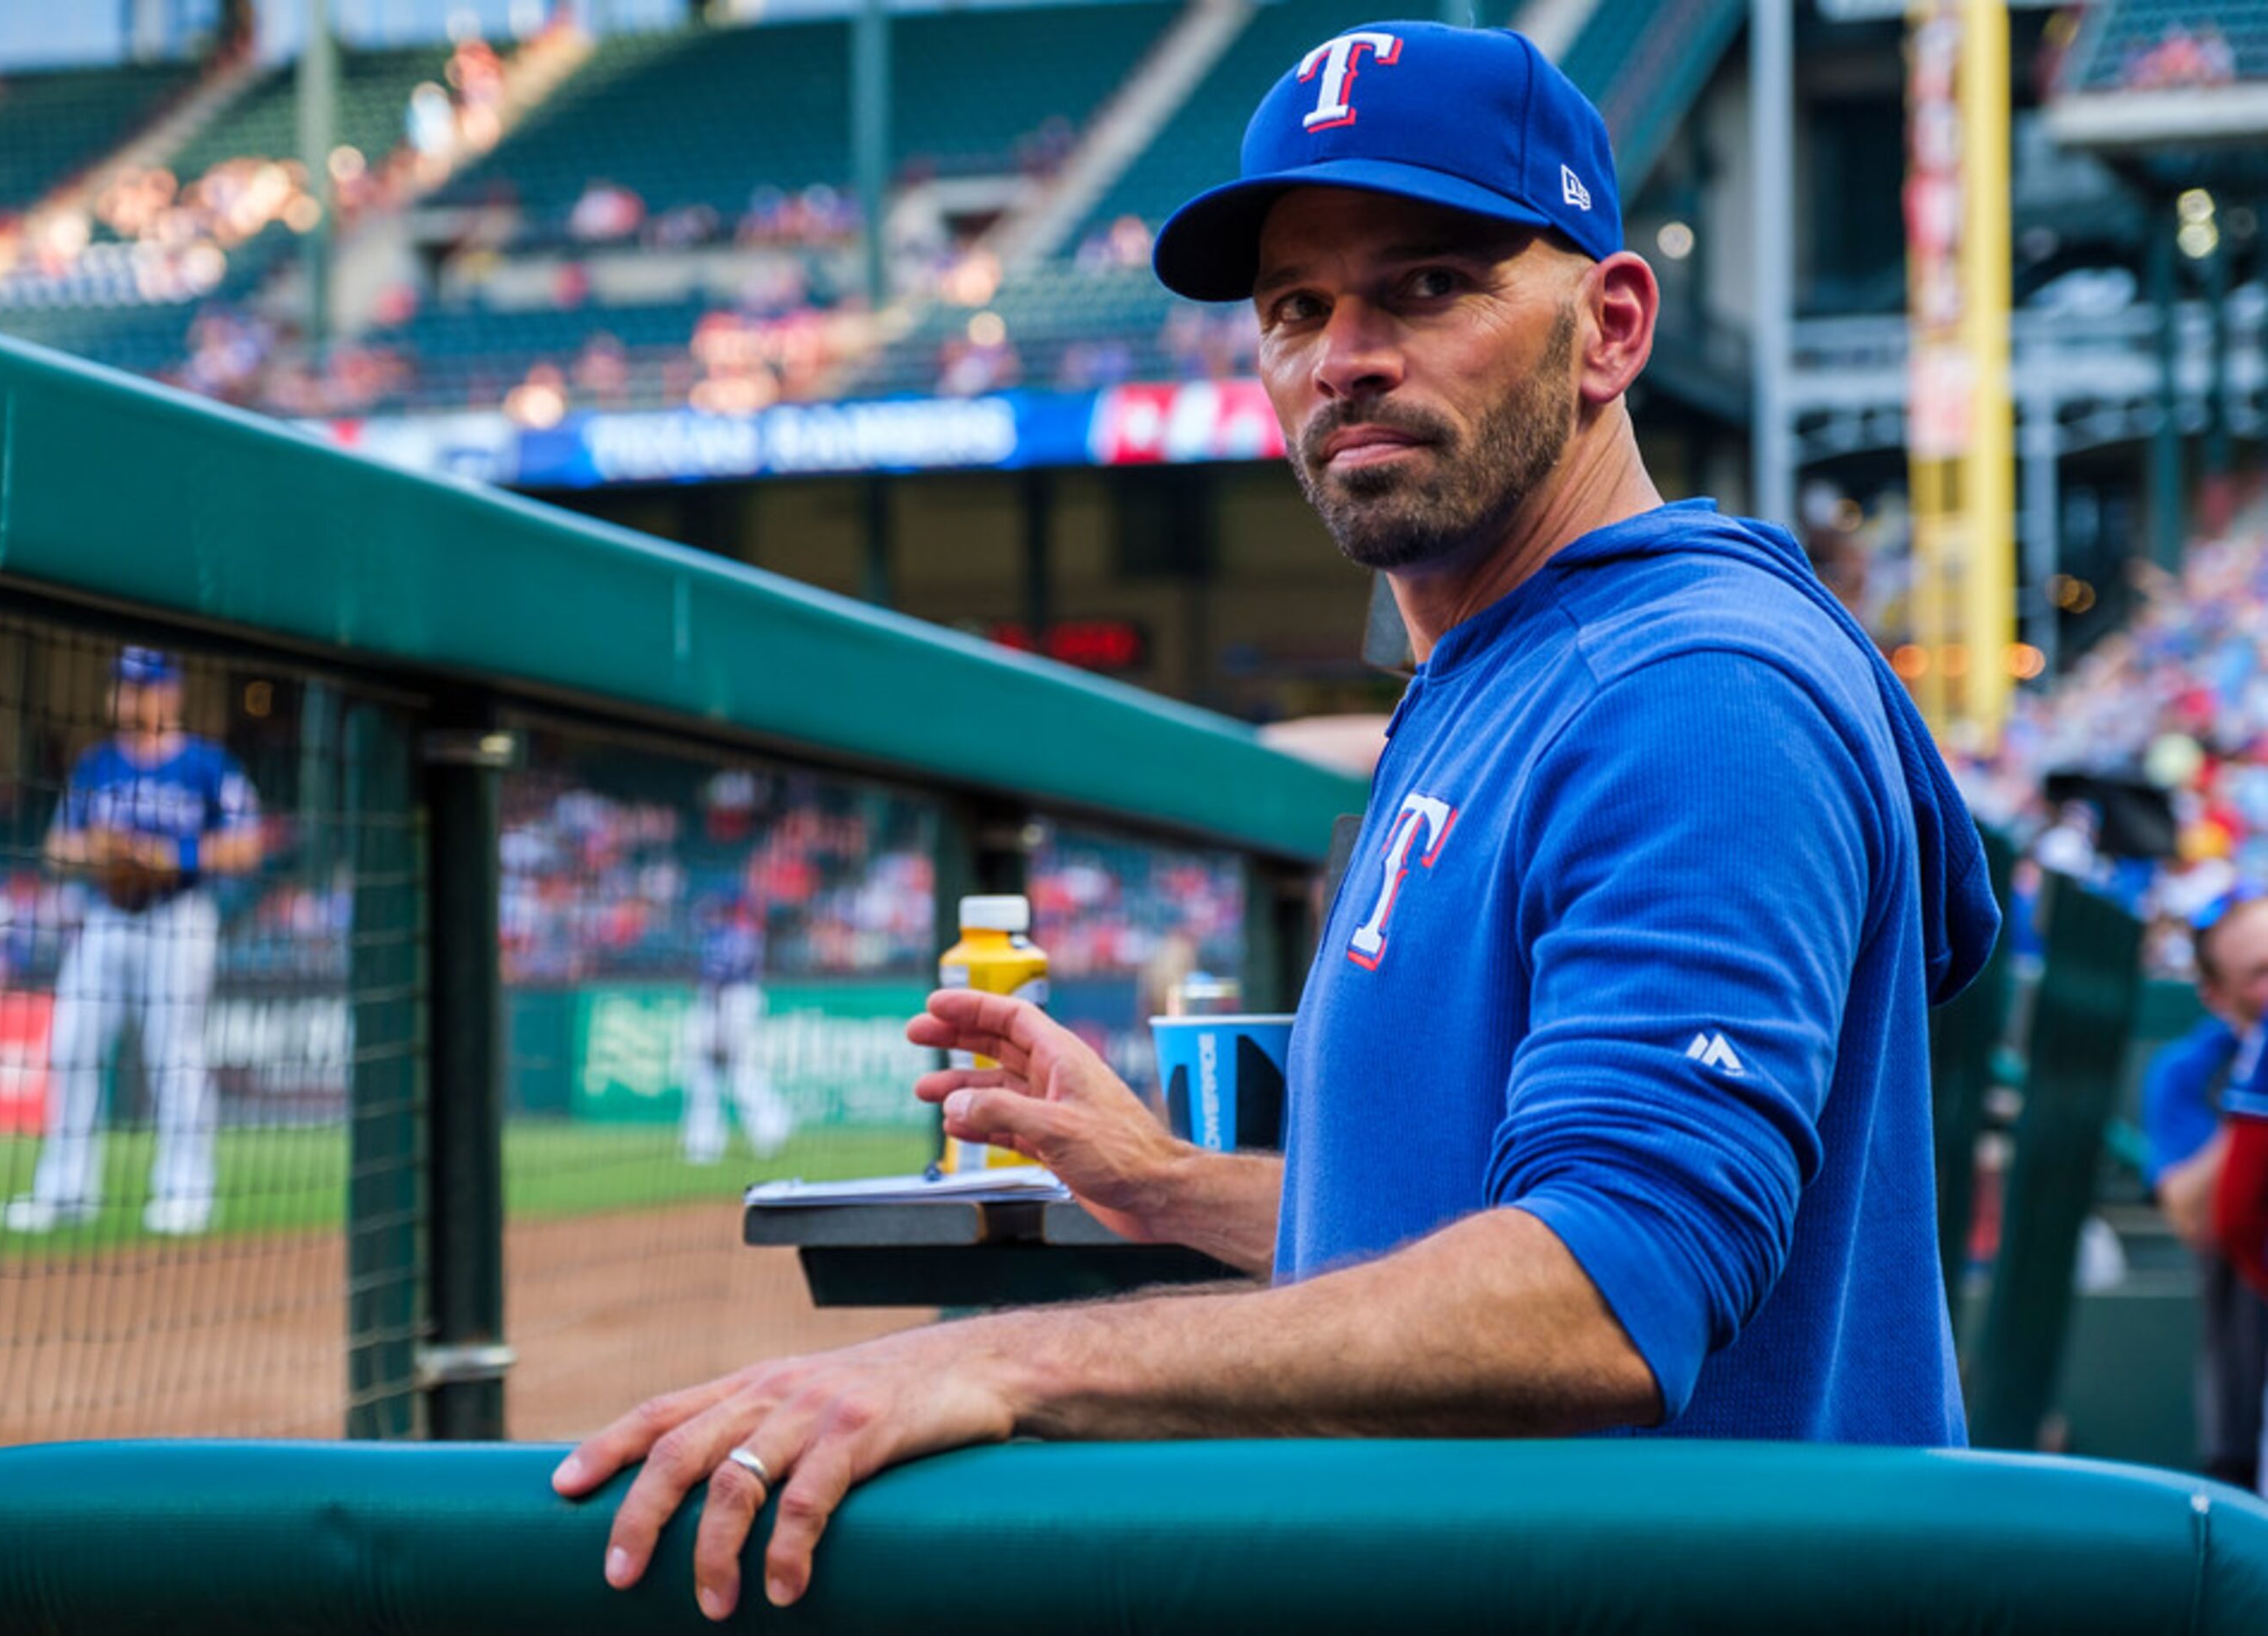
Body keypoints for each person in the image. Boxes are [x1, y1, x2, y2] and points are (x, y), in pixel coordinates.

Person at [550, 23, 2000, 1619]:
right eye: (1295, 307)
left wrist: (1010, 1360)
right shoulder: (1501, 667)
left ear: (1610, 325)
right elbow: (1453, 1231)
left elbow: (1602, 1294)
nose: (1342, 354)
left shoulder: (1690, 692)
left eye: (1428, 284)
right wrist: (1172, 1184)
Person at [2, 648, 263, 1237]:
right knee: (72, 1046)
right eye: (121, 687)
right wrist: (105, 852)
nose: (127, 698)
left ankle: (186, 1190)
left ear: (172, 693)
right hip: (108, 918)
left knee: (176, 1054)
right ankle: (66, 1190)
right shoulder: (98, 764)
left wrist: (176, 856)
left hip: (179, 916)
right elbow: (56, 848)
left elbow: (248, 846)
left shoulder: (206, 764)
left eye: (141, 687)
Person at [2142, 887, 2268, 1488]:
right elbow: (2197, 1219)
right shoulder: (2190, 1070)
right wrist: (2255, 1103)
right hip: (2247, 1385)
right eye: (2260, 975)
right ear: (2216, 997)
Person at [679, 891, 793, 1165]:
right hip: (736, 1000)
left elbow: (717, 977)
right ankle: (770, 1126)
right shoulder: (745, 934)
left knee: (720, 1072)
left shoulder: (726, 936)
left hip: (728, 1002)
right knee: (728, 1073)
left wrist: (717, 1027)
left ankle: (709, 1143)